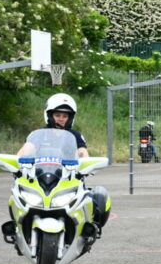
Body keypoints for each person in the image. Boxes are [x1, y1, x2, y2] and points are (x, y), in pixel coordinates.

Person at [14, 93, 110, 231]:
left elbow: (83, 153)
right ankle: (17, 227)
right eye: (58, 115)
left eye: (65, 116)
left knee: (96, 198)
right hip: (40, 177)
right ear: (49, 115)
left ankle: (90, 230)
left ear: (70, 118)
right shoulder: (39, 134)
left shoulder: (75, 135)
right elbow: (25, 151)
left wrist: (86, 164)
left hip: (68, 178)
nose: (61, 119)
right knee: (17, 194)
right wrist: (16, 162)